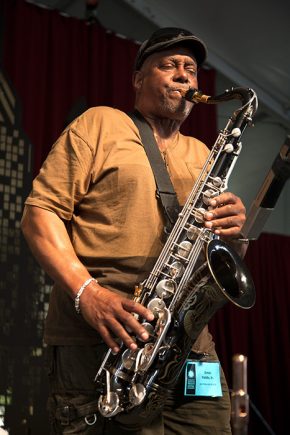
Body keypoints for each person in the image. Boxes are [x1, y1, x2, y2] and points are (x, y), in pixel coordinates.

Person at [21, 27, 248, 434]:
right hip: (105, 336)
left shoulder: (203, 154)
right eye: (169, 65)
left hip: (190, 346)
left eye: (191, 69)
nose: (185, 76)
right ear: (138, 79)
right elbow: (40, 215)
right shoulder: (100, 124)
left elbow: (209, 258)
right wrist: (88, 294)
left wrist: (231, 233)